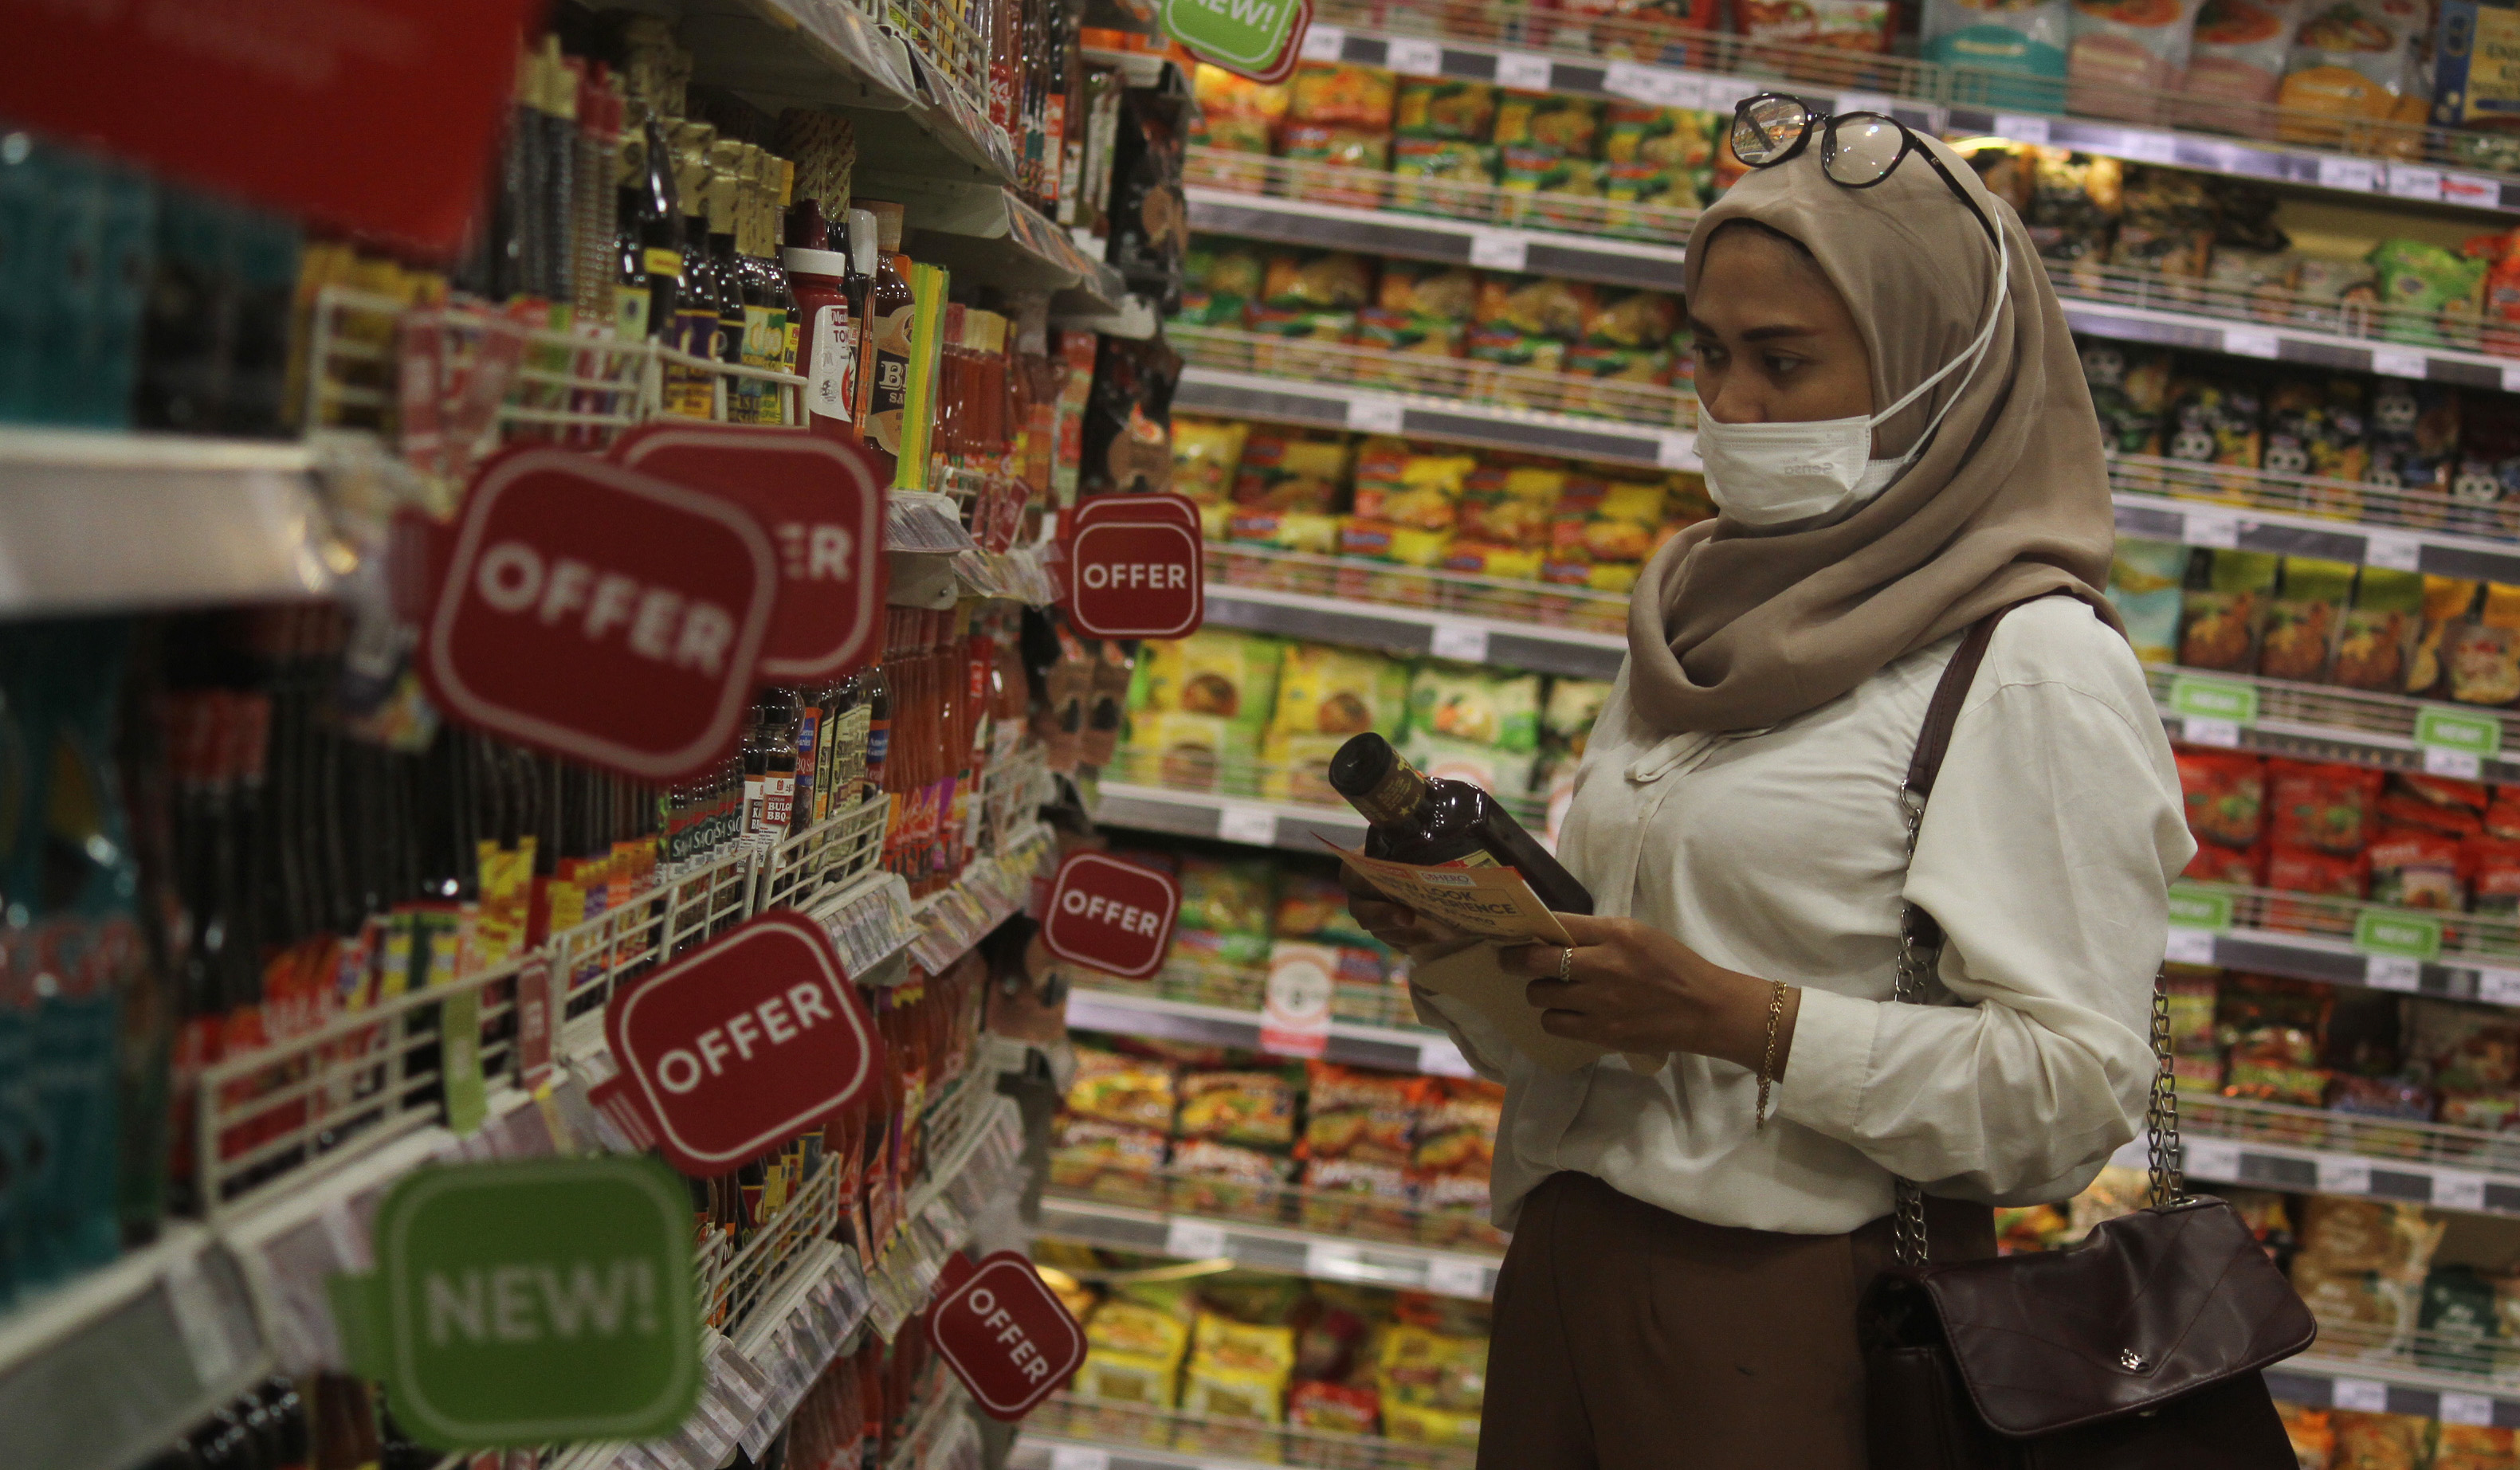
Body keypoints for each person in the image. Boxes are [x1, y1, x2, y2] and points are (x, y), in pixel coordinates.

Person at [1345, 97, 2194, 1469]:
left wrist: (1744, 1019)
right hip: (1569, 1269)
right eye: (1709, 354)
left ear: (1940, 367)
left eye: (1783, 362)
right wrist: (1479, 952)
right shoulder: (1698, 613)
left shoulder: (2028, 663)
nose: (1730, 409)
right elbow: (1593, 1046)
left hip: (1816, 1320)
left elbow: (2067, 1095)